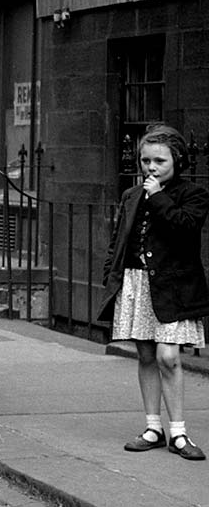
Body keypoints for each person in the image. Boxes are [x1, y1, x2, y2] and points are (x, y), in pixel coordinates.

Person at [100, 124, 209, 461]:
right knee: (146, 355)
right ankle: (153, 428)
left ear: (177, 160)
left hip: (174, 287)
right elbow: (119, 240)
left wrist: (158, 194)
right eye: (145, 160)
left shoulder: (193, 194)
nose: (150, 167)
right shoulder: (131, 195)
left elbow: (185, 228)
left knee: (168, 356)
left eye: (159, 160)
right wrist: (111, 276)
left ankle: (179, 432)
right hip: (137, 282)